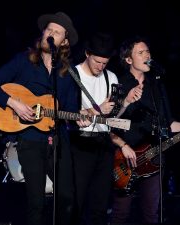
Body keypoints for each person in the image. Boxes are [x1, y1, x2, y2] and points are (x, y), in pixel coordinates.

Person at [0, 12, 86, 225]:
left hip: (58, 142)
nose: (51, 34)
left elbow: (72, 109)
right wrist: (14, 103)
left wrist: (79, 118)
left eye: (57, 32)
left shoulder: (69, 72)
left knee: (67, 198)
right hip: (29, 140)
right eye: (49, 29)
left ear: (64, 41)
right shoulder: (24, 61)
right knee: (36, 203)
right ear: (43, 33)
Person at [109, 36, 180, 224]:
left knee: (151, 214)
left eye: (148, 51)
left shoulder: (156, 86)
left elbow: (168, 124)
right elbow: (110, 121)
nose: (147, 55)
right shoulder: (119, 83)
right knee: (121, 214)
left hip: (153, 157)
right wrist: (127, 101)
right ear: (128, 60)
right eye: (141, 52)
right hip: (126, 158)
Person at [68, 32, 119, 225]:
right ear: (87, 53)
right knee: (77, 201)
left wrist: (127, 102)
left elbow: (114, 116)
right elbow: (67, 111)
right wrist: (97, 109)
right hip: (80, 142)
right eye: (97, 62)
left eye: (105, 63)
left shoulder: (111, 77)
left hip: (104, 143)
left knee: (100, 202)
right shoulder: (73, 74)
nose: (101, 67)